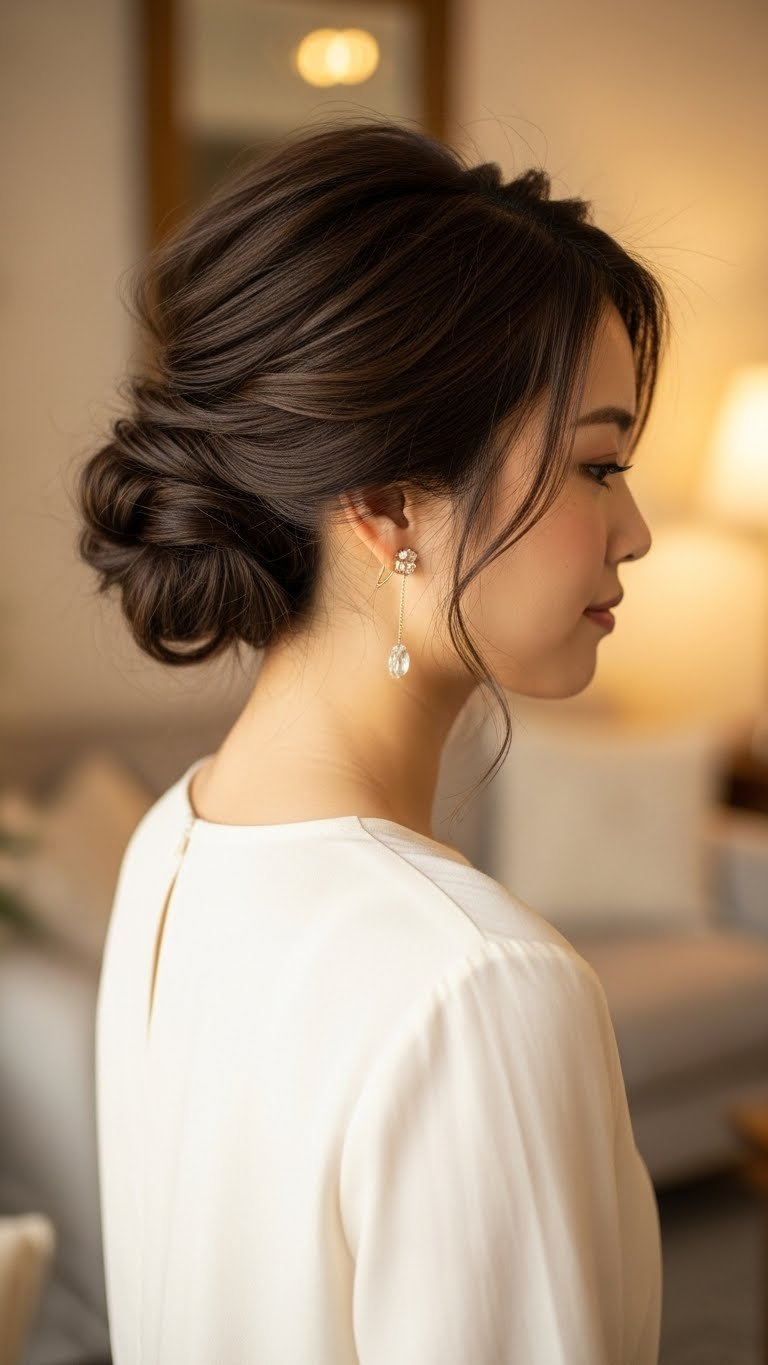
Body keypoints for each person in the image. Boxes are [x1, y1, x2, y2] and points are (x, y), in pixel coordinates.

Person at [75, 119, 669, 1364]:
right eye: (599, 466)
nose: (637, 533)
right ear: (391, 500)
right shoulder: (481, 987)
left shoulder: (173, 838)